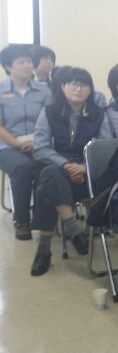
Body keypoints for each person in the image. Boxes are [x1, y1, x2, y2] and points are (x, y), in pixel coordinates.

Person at [31, 67, 113, 276]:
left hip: (86, 173)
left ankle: (44, 250)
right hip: (57, 166)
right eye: (73, 84)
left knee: (44, 190)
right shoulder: (49, 112)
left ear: (90, 90)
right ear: (62, 86)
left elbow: (104, 148)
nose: (79, 88)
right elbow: (40, 148)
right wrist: (66, 165)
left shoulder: (98, 114)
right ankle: (73, 229)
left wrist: (85, 167)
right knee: (51, 175)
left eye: (84, 85)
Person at [0, 45, 53, 240]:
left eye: (29, 62)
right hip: (7, 146)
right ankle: (22, 221)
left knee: (45, 166)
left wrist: (37, 141)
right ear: (8, 66)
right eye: (21, 62)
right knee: (23, 166)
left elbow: (51, 121)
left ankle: (42, 218)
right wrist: (15, 143)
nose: (27, 65)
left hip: (39, 143)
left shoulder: (44, 90)